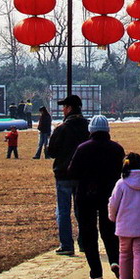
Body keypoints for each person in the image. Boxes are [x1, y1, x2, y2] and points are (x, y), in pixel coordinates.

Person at [67, 115, 124, 279]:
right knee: (110, 231)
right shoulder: (117, 149)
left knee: (88, 232)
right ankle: (114, 260)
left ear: (90, 130)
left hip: (86, 194)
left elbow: (72, 172)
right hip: (109, 195)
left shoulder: (82, 148)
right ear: (108, 130)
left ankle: (96, 271)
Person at [47, 94, 90, 256]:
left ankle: (66, 245)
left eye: (64, 107)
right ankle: (85, 242)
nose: (63, 110)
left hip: (64, 174)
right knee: (82, 210)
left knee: (63, 211)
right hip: (83, 175)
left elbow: (51, 152)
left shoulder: (62, 129)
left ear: (70, 108)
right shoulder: (87, 128)